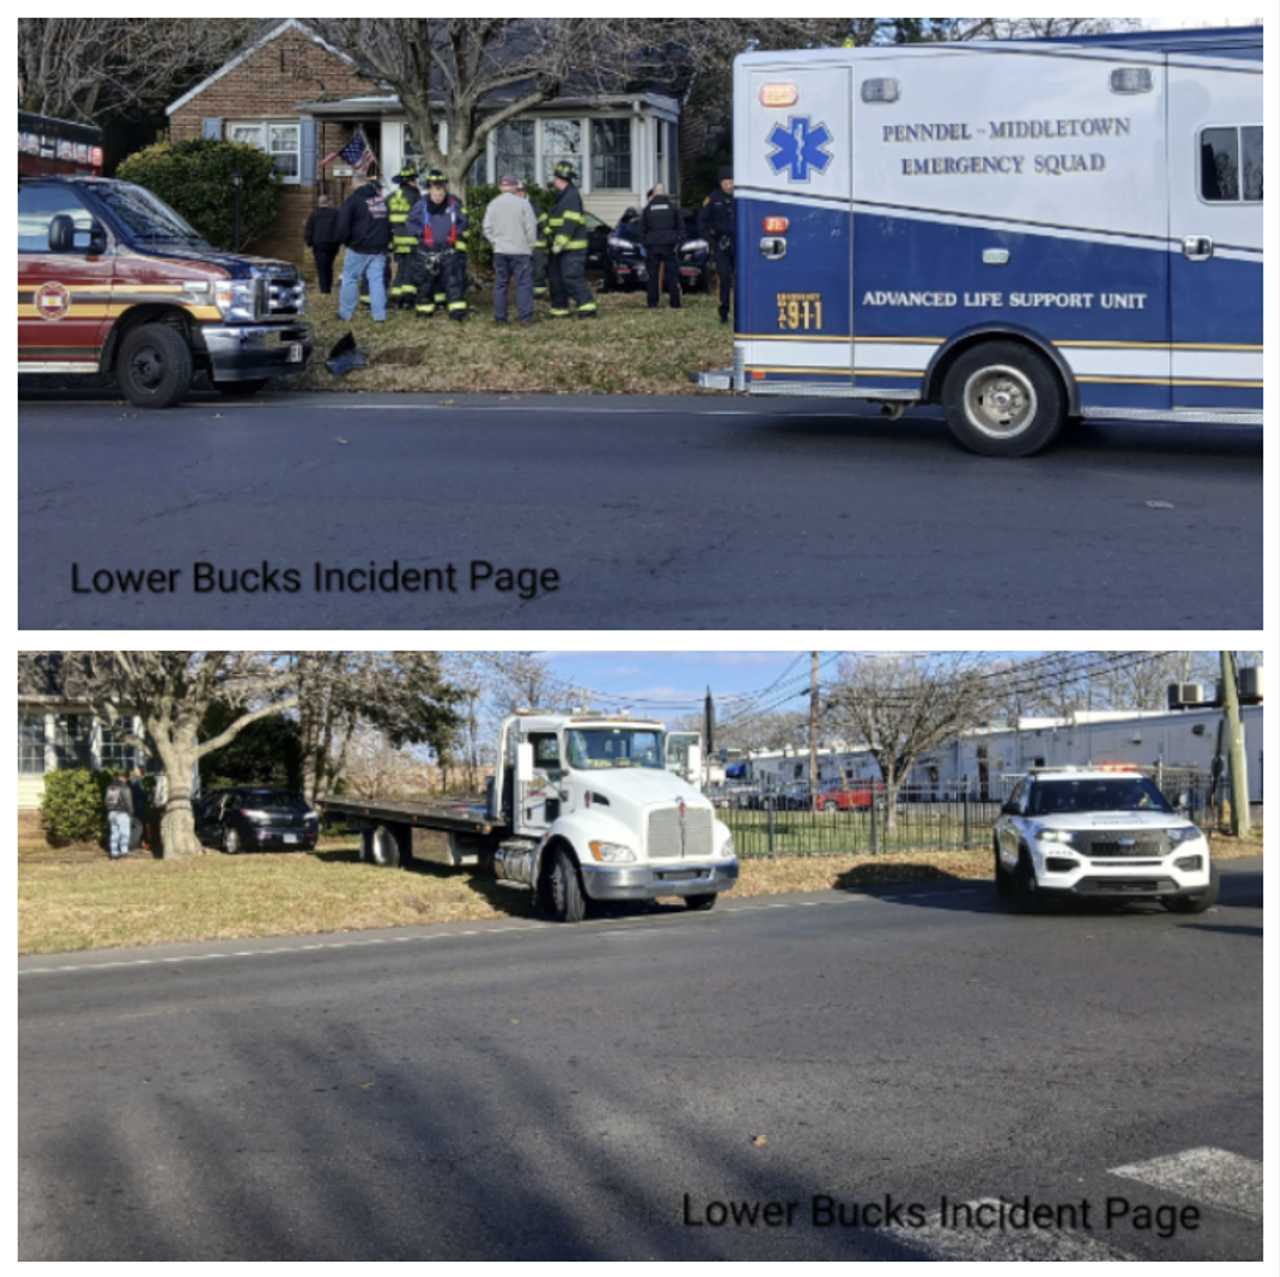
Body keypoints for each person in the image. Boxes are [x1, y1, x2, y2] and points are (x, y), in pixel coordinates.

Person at [405, 168, 470, 320]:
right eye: (435, 194)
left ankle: (457, 311)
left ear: (445, 191)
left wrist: (457, 234)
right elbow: (410, 223)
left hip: (448, 250)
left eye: (441, 194)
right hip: (426, 251)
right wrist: (420, 233)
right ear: (430, 191)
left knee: (454, 281)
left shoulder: (454, 203)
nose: (438, 197)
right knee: (425, 283)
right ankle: (424, 310)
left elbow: (463, 222)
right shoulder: (421, 205)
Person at [483, 174, 539, 325]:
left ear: (501, 187)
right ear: (515, 187)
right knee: (523, 284)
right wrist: (530, 245)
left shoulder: (492, 204)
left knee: (501, 284)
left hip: (500, 251)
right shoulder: (523, 204)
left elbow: (486, 228)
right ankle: (525, 318)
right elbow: (531, 228)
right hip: (521, 251)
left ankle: (500, 318)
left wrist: (495, 242)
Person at [335, 173, 391, 322]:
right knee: (376, 280)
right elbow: (387, 223)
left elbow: (343, 225)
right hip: (380, 247)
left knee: (350, 278)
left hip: (359, 247)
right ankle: (379, 316)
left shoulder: (353, 200)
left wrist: (345, 241)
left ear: (355, 184)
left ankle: (345, 313)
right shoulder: (380, 200)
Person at [546, 161, 598, 319]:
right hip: (561, 247)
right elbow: (558, 221)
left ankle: (587, 307)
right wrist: (549, 231)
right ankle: (559, 309)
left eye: (555, 177)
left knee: (571, 277)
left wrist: (559, 242)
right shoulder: (563, 196)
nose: (553, 180)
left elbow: (571, 221)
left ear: (560, 178)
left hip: (572, 248)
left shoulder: (571, 196)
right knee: (556, 279)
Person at [639, 182, 685, 310]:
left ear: (653, 193)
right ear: (664, 193)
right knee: (672, 275)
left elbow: (642, 229)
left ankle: (652, 303)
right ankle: (675, 303)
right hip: (670, 245)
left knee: (652, 276)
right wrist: (678, 240)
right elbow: (681, 226)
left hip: (652, 246)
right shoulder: (672, 207)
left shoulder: (648, 209)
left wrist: (644, 243)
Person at [699, 166, 736, 324]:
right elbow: (702, 222)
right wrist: (711, 241)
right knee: (724, 277)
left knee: (741, 279)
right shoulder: (713, 198)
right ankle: (724, 310)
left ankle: (742, 312)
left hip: (739, 243)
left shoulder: (740, 197)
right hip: (721, 244)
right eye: (725, 182)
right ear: (721, 183)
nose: (729, 185)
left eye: (731, 181)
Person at [387, 164, 422, 308]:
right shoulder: (416, 197)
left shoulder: (390, 197)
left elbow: (386, 219)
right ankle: (407, 300)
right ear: (410, 181)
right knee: (410, 269)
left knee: (401, 268)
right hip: (412, 240)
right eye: (415, 180)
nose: (417, 183)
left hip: (396, 240)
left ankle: (395, 296)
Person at [303, 193, 341, 295]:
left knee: (321, 267)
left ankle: (324, 290)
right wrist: (339, 241)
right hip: (332, 244)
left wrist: (309, 242)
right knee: (329, 265)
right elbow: (339, 228)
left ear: (319, 203)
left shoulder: (314, 214)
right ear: (328, 202)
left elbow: (309, 229)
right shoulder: (335, 213)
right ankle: (328, 286)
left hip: (319, 244)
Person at [104, 771, 133, 860]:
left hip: (111, 813)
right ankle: (124, 852)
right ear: (125, 778)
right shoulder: (124, 787)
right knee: (125, 833)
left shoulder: (110, 787)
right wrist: (131, 812)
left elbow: (106, 801)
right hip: (122, 813)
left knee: (114, 833)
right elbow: (128, 801)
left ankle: (114, 853)